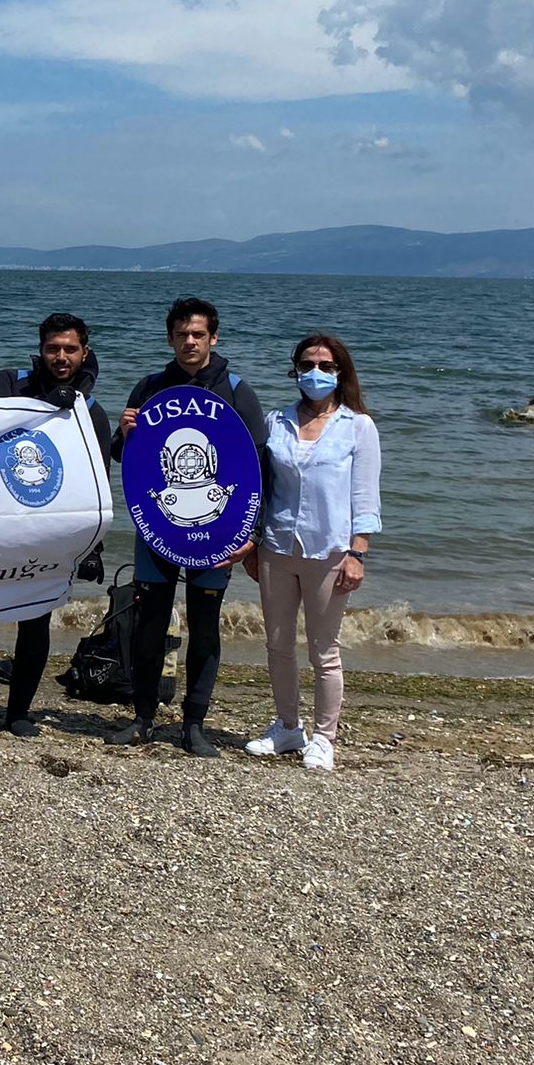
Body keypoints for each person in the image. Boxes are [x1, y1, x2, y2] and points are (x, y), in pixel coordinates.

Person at [108, 296, 268, 758]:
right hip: (158, 529)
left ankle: (194, 724)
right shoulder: (150, 387)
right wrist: (125, 432)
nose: (190, 342)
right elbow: (123, 456)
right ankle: (142, 717)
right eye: (181, 335)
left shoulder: (236, 391)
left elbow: (258, 466)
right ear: (170, 339)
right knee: (150, 624)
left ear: (213, 337)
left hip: (219, 532)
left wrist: (252, 534)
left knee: (204, 626)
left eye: (198, 334)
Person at [244, 332, 382, 772]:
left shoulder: (357, 427)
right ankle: (288, 726)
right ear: (295, 370)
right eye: (307, 365)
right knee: (278, 643)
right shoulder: (276, 422)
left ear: (340, 372)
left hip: (330, 550)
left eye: (325, 365)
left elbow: (366, 497)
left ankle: (324, 737)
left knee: (325, 650)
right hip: (277, 545)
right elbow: (258, 486)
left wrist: (358, 553)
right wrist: (250, 544)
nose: (315, 373)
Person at [0, 313, 112, 736]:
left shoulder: (91, 412)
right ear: (40, 350)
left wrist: (92, 547)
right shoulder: (9, 383)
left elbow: (96, 485)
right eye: (53, 348)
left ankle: (18, 712)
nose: (61, 357)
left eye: (70, 349)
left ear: (84, 353)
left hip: (47, 531)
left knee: (35, 618)